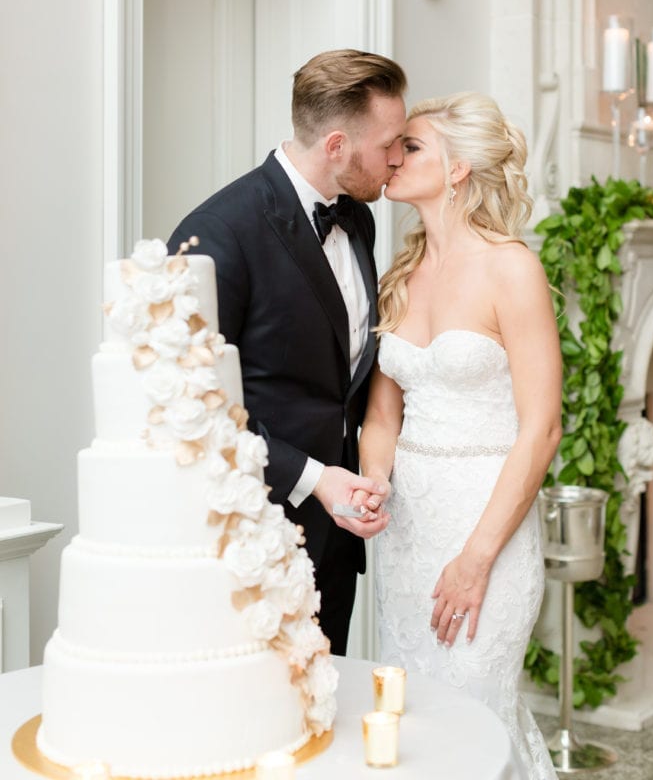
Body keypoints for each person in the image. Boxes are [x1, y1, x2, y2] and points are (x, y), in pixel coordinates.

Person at [168, 49, 407, 654]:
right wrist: (313, 478)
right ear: (336, 146)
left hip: (337, 535)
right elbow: (191, 405)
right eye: (390, 145)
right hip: (252, 534)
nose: (399, 159)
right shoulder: (219, 235)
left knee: (328, 710)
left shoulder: (359, 218)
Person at [355, 92, 562, 778]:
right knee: (412, 717)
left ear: (457, 169)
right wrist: (376, 481)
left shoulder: (511, 268)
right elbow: (384, 413)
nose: (392, 156)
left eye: (409, 147)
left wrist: (476, 558)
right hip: (408, 530)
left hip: (486, 525)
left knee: (473, 708)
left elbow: (542, 428)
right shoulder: (400, 273)